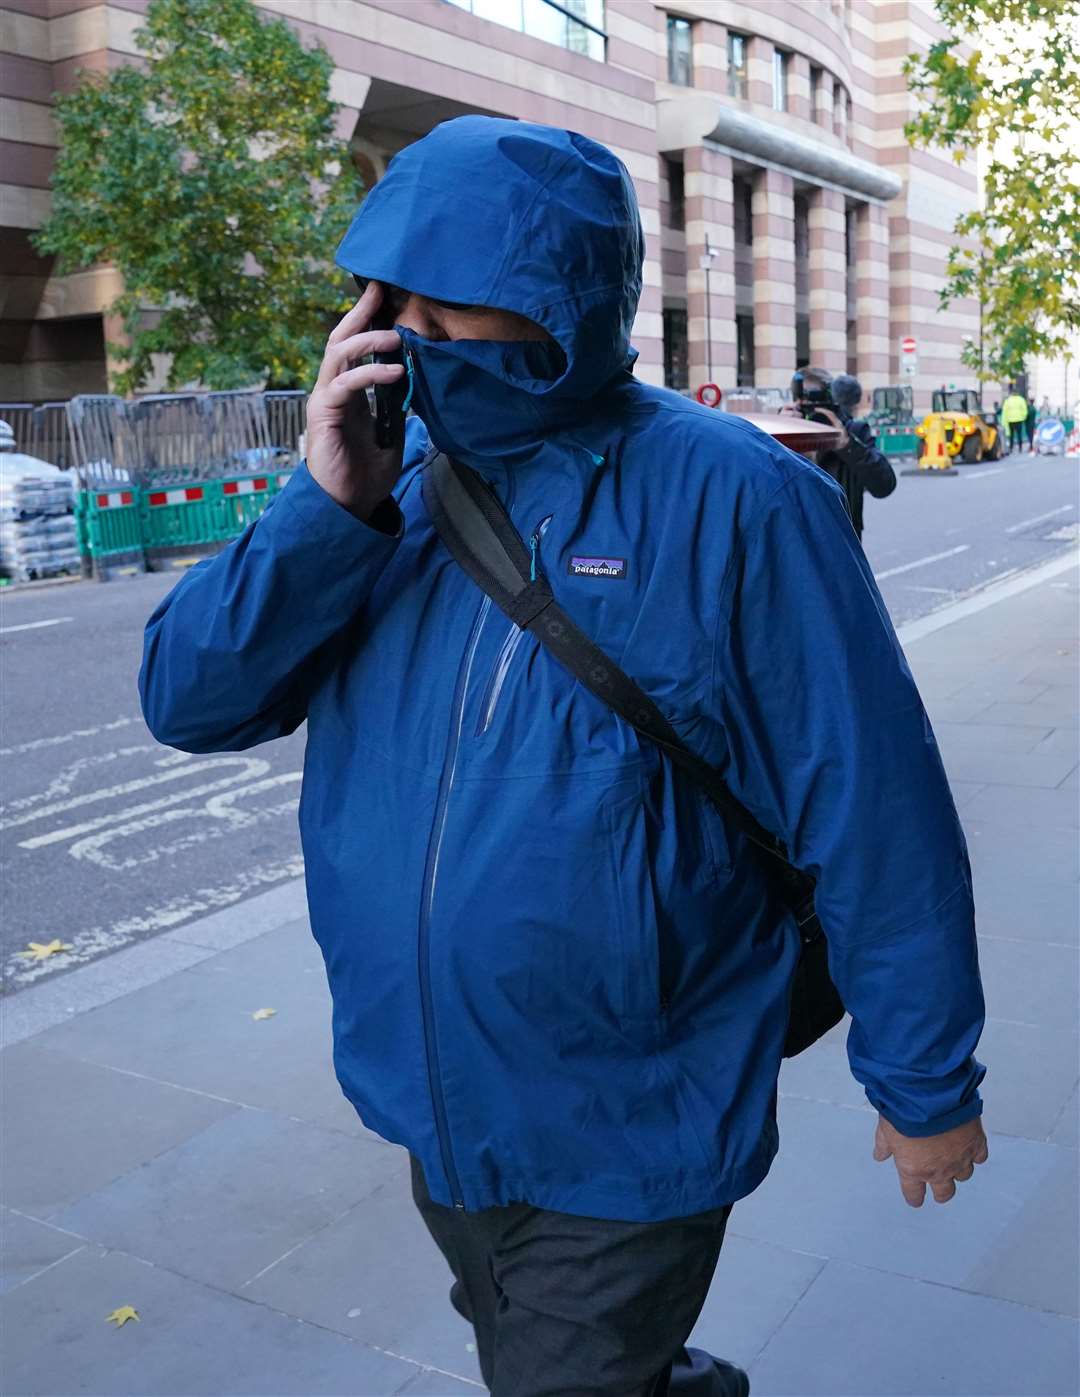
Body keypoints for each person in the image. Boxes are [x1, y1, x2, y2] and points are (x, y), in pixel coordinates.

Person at [139, 118, 988, 1397]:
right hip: (427, 1087)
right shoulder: (383, 474)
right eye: (382, 295)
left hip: (635, 1108)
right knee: (538, 1345)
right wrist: (330, 509)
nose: (399, 327)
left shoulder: (737, 497)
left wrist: (926, 1081)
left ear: (553, 304)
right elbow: (190, 699)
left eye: (445, 300)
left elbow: (870, 800)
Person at [787, 368, 896, 541]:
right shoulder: (784, 433)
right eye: (801, 399)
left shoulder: (852, 432)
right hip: (795, 541)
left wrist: (846, 445)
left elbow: (884, 485)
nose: (809, 408)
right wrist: (779, 438)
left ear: (831, 401)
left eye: (815, 399)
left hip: (841, 544)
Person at [1001, 385, 1029, 452]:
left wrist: (1004, 420)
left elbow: (1005, 411)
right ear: (1017, 393)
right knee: (1019, 435)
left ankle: (1011, 448)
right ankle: (1020, 448)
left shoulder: (1007, 400)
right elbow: (1024, 410)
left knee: (1011, 435)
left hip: (1010, 420)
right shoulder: (1021, 399)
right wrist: (1023, 417)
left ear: (1011, 393)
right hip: (1019, 420)